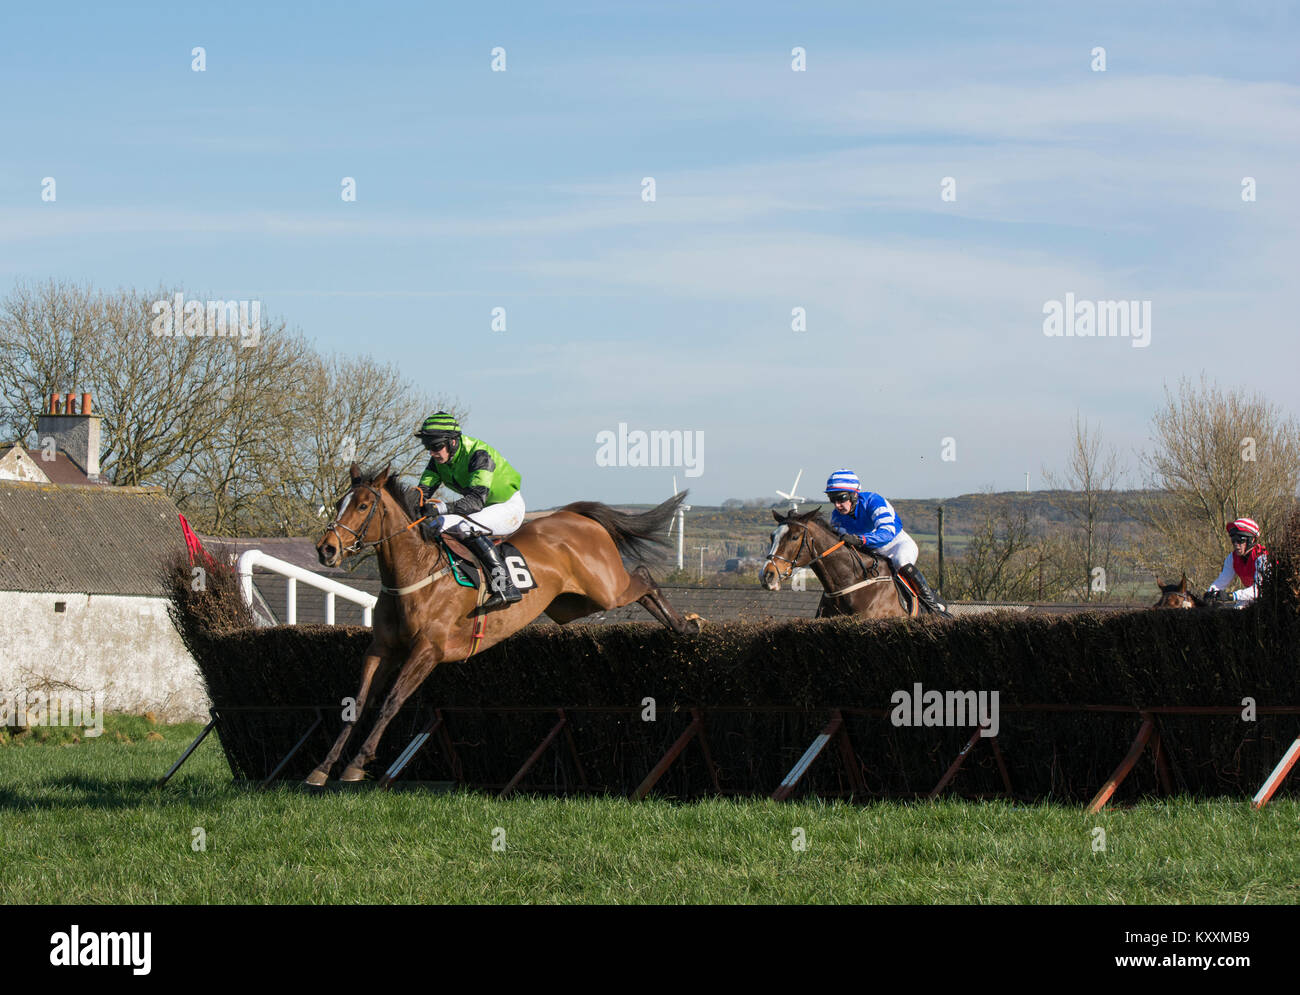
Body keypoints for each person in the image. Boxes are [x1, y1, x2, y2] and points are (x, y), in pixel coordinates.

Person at [413, 412, 525, 608]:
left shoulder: (479, 455)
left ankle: (505, 585)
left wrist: (440, 507)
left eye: (436, 446)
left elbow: (475, 502)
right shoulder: (438, 461)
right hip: (481, 510)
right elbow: (421, 493)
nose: (432, 452)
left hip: (507, 507)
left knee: (464, 527)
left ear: (453, 442)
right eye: (428, 447)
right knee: (433, 524)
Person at [824, 468, 952, 617]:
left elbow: (887, 533)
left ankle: (934, 607)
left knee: (901, 562)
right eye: (832, 499)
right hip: (873, 555)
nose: (837, 505)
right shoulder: (836, 517)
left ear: (854, 494)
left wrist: (860, 540)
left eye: (841, 498)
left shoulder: (874, 501)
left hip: (897, 546)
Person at [1204, 517, 1269, 606]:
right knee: (1237, 610)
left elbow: (1259, 590)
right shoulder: (1232, 558)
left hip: (1272, 597)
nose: (1236, 544)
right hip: (1253, 596)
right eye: (1233, 540)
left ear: (1252, 540)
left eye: (1240, 540)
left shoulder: (1262, 557)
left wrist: (1232, 596)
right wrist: (1210, 592)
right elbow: (1222, 580)